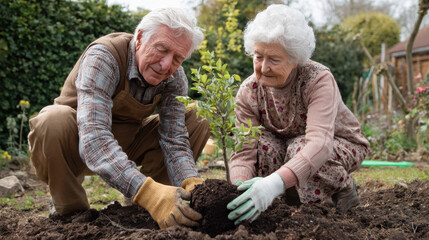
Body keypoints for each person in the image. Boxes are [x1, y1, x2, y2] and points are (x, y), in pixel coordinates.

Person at [28, 8, 210, 229]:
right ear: (140, 38)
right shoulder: (104, 57)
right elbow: (94, 139)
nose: (166, 65)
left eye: (178, 58)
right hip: (75, 143)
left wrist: (192, 184)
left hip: (127, 142)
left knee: (197, 117)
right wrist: (146, 191)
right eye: (162, 49)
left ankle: (154, 206)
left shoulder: (174, 78)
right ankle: (70, 213)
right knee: (52, 120)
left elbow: (175, 140)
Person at [226, 4, 370, 225]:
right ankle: (290, 198)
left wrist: (273, 183)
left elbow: (320, 144)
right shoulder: (249, 91)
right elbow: (244, 153)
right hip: (287, 147)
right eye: (258, 57)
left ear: (295, 60)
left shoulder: (318, 80)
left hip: (339, 144)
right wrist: (240, 190)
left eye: (274, 59)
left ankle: (343, 187)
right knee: (262, 144)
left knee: (300, 148)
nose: (263, 68)